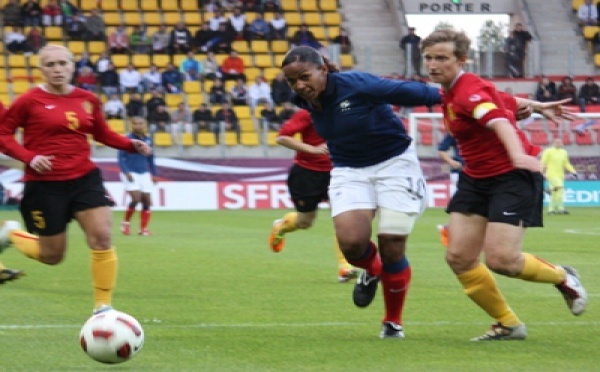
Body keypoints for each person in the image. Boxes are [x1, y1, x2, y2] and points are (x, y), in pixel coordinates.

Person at [421, 29, 587, 341]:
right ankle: (508, 324)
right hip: (476, 178)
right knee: (458, 257)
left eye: (441, 58)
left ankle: (564, 277)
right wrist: (537, 105)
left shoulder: (467, 90)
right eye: (428, 58)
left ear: (461, 60)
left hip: (511, 175)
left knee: (502, 261)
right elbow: (503, 100)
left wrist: (518, 155)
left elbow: (496, 119)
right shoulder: (453, 90)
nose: (432, 64)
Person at [281, 46, 442, 339]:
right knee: (352, 243)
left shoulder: (359, 85)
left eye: (304, 77)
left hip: (395, 163)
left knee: (392, 242)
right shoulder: (302, 99)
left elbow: (428, 94)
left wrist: (507, 104)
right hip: (349, 169)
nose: (299, 86)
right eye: (292, 81)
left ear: (324, 70)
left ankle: (392, 322)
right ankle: (373, 269)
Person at [0, 45, 152, 313]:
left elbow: (102, 134)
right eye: (50, 65)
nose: (57, 69)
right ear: (41, 69)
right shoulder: (28, 101)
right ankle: (11, 234)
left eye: (62, 63)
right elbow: (3, 135)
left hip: (84, 178)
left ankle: (103, 307)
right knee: (52, 256)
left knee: (102, 237)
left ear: (73, 66)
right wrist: (30, 157)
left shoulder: (87, 99)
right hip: (45, 185)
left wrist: (131, 145)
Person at [269, 108, 359, 283]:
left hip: (338, 173)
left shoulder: (345, 110)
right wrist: (313, 149)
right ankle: (281, 226)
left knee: (343, 220)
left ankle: (345, 266)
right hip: (307, 174)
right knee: (305, 222)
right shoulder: (307, 112)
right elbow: (282, 137)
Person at [119, 117, 157, 236]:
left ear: (144, 125)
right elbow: (120, 158)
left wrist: (154, 173)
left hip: (144, 172)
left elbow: (151, 158)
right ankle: (125, 223)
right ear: (132, 125)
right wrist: (126, 171)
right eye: (136, 124)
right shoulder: (127, 139)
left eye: (141, 124)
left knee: (147, 200)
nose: (138, 126)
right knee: (136, 198)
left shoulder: (148, 139)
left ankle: (143, 229)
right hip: (131, 172)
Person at [541, 138, 577, 215]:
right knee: (560, 188)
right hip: (551, 174)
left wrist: (573, 171)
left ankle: (551, 209)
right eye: (557, 142)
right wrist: (541, 171)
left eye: (560, 142)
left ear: (562, 144)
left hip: (560, 175)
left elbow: (566, 163)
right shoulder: (548, 151)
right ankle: (560, 208)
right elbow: (543, 162)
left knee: (556, 192)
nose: (558, 144)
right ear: (553, 143)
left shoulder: (564, 152)